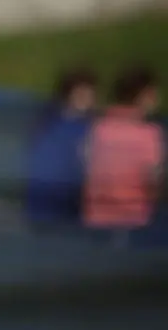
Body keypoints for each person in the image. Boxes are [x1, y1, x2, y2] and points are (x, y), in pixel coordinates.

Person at [82, 66, 164, 246]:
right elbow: (154, 181)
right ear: (143, 96)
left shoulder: (98, 128)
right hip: (134, 218)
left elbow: (85, 168)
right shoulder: (148, 134)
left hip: (96, 216)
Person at [24, 66, 98, 228]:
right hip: (58, 204)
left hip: (53, 204)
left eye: (90, 95)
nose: (89, 99)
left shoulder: (47, 123)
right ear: (69, 95)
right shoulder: (76, 128)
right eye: (83, 94)